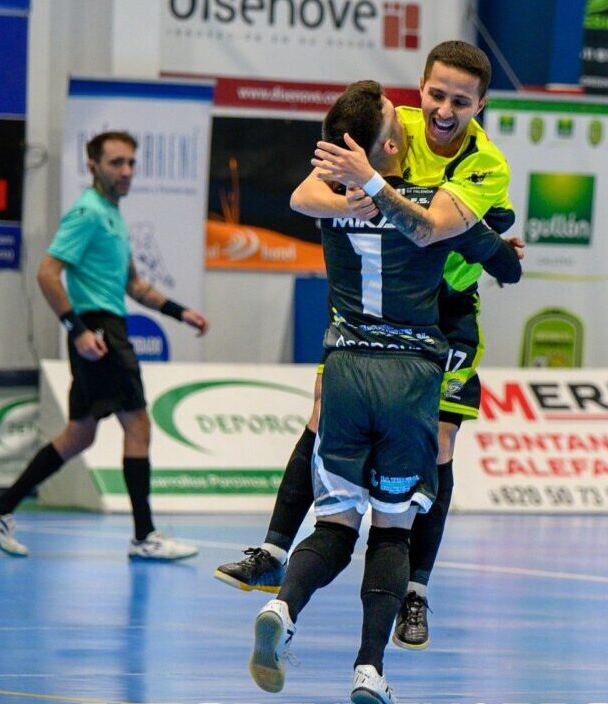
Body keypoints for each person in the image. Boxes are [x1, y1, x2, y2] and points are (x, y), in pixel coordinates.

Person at [216, 40, 511, 651]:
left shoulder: (488, 165)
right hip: (375, 314)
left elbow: (431, 229)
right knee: (321, 414)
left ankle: (415, 594)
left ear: (480, 104)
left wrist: (372, 189)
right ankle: (273, 550)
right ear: (421, 88)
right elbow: (305, 195)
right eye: (436, 94)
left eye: (461, 101)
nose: (444, 110)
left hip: (446, 313)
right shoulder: (388, 123)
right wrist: (356, 200)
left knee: (444, 444)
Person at [0, 131, 208, 560]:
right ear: (93, 166)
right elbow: (48, 273)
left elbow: (134, 285)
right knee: (138, 426)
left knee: (80, 434)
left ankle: (0, 507)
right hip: (99, 332)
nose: (126, 171)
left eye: (131, 163)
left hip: (97, 330)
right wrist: (77, 328)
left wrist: (180, 312)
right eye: (116, 163)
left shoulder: (113, 215)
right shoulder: (86, 213)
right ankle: (144, 536)